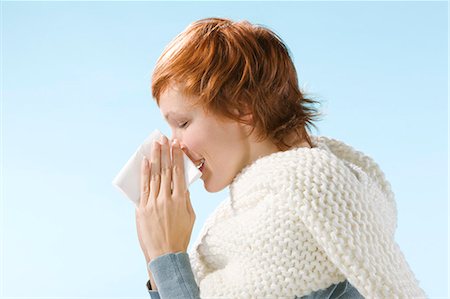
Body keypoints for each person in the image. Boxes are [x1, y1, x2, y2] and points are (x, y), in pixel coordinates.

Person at [134, 17, 427, 299]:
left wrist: (166, 256)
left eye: (183, 123)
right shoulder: (255, 213)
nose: (175, 144)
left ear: (241, 107)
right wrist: (156, 257)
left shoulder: (303, 217)